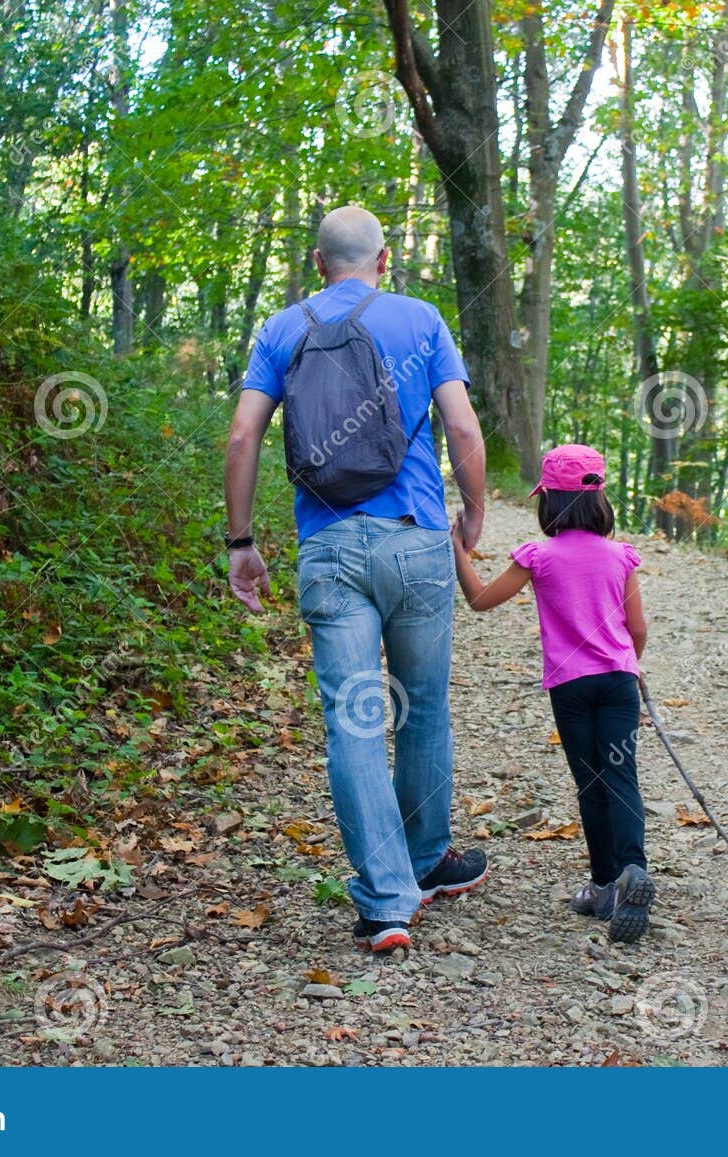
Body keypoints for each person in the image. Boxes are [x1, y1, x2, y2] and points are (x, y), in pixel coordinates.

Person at [223, 205, 489, 953]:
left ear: (317, 263)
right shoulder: (420, 318)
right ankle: (429, 857)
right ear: (384, 259)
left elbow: (244, 434)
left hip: (330, 547)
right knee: (425, 707)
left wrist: (242, 540)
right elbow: (462, 428)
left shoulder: (281, 329)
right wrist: (472, 510)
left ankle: (385, 901)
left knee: (354, 720)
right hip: (415, 543)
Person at [450, 444, 655, 943]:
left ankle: (604, 884)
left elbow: (480, 600)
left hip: (571, 688)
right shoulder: (619, 556)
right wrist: (631, 667)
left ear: (549, 504)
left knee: (591, 785)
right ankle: (633, 867)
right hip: (619, 682)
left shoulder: (539, 556)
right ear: (600, 501)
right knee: (621, 774)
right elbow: (638, 629)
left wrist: (455, 546)